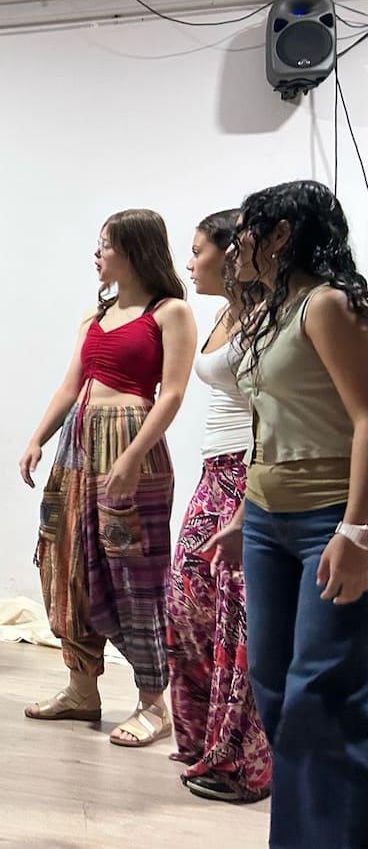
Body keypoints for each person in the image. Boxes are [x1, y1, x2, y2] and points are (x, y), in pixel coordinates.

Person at [208, 180, 368, 846]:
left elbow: (367, 417)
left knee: (319, 691)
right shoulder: (272, 313)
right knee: (272, 686)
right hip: (268, 521)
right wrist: (245, 515)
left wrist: (357, 531)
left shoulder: (327, 305)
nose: (234, 245)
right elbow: (268, 423)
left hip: (328, 520)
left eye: (247, 228)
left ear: (281, 234)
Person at [19, 209, 196, 746]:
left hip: (131, 444)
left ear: (135, 250)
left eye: (106, 245)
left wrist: (134, 455)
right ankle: (82, 689)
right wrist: (37, 437)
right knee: (68, 561)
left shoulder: (170, 313)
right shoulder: (94, 317)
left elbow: (172, 394)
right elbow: (70, 386)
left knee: (134, 572)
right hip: (78, 446)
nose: (97, 255)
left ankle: (153, 703)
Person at [165, 210, 271, 802]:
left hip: (246, 475)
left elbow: (271, 414)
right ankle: (204, 738)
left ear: (231, 254)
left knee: (237, 618)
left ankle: (242, 761)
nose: (190, 262)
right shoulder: (224, 314)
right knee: (186, 603)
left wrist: (247, 505)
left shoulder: (266, 319)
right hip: (215, 472)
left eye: (198, 250)